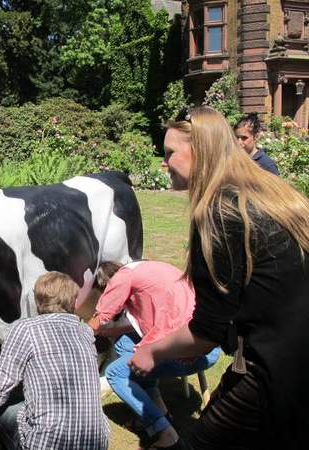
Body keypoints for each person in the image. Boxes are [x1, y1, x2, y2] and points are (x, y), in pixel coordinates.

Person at [130, 106, 309, 449]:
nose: (163, 163)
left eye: (170, 153)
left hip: (273, 370)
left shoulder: (220, 212)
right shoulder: (269, 191)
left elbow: (205, 333)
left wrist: (152, 352)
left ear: (199, 151)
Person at [88, 260, 220, 449]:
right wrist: (112, 332)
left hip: (191, 351)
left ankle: (166, 433)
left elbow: (100, 318)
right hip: (207, 342)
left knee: (115, 373)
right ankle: (160, 411)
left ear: (107, 286)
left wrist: (75, 337)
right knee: (125, 342)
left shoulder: (121, 279)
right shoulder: (144, 270)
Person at [0, 271, 110, 450]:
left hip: (47, 443)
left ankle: (3, 444)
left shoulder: (25, 329)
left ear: (37, 300)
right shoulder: (84, 332)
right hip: (97, 441)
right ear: (75, 301)